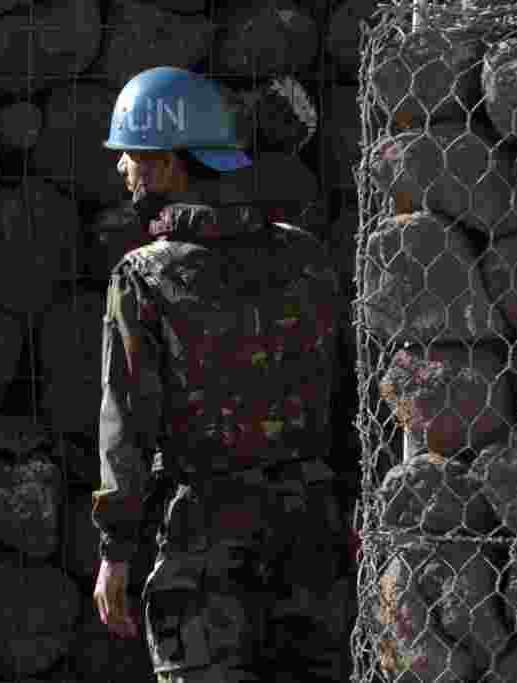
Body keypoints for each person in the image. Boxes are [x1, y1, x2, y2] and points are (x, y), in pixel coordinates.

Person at [90, 66, 350, 683]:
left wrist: (115, 553)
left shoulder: (142, 277)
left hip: (208, 543)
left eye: (130, 152)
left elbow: (128, 425)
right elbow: (343, 394)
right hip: (313, 541)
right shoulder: (307, 257)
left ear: (170, 163)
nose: (122, 169)